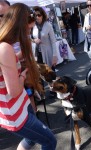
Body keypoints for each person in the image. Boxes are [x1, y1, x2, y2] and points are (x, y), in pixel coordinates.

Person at [0, 3, 57, 150]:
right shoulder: (4, 48)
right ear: (20, 24)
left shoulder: (6, 46)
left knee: (31, 139)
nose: (28, 33)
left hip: (21, 105)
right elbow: (14, 91)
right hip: (15, 113)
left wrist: (19, 57)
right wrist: (23, 75)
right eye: (28, 28)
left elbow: (8, 65)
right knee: (50, 141)